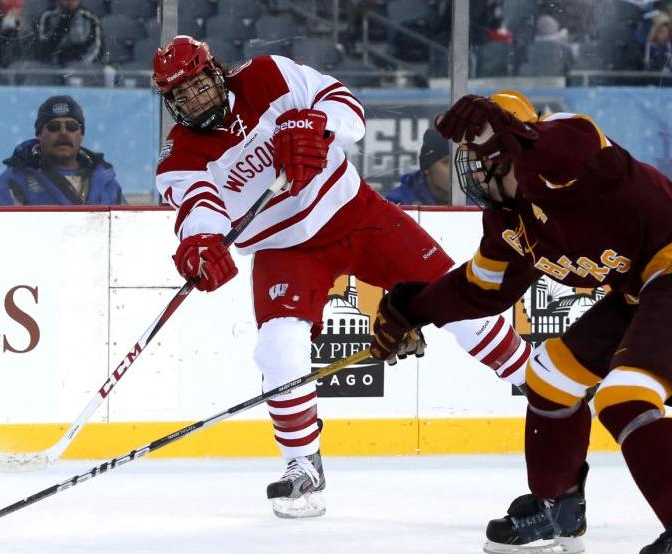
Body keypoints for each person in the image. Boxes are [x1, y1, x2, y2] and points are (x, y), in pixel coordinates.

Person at [369, 90, 672, 554]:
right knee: (550, 376)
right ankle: (558, 508)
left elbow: (570, 138)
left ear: (513, 150)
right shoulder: (509, 220)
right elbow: (482, 288)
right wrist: (412, 307)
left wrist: (518, 137)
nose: (472, 172)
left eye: (483, 158)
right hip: (645, 288)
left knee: (624, 395)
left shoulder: (575, 158)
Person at [153, 36, 532, 519]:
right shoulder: (177, 158)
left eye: (199, 84)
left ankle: (535, 378)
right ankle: (303, 466)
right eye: (180, 95)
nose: (195, 99)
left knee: (458, 301)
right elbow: (198, 208)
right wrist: (200, 242)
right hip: (284, 248)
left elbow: (347, 107)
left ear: (216, 72)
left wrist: (314, 123)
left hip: (356, 213)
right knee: (278, 345)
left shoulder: (267, 75)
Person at [0, 95, 125, 205]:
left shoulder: (106, 182)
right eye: (53, 126)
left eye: (72, 126)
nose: (63, 132)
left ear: (81, 134)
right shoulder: (12, 182)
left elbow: (124, 234)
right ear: (39, 133)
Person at [385, 128, 453, 205]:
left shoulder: (469, 199)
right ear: (427, 167)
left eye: (460, 163)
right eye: (447, 162)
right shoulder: (398, 205)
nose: (456, 171)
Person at [36, 0, 103, 66]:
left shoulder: (91, 18)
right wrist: (63, 22)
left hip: (83, 70)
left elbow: (97, 51)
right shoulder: (46, 17)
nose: (70, 1)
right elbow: (42, 50)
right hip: (52, 68)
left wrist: (78, 66)